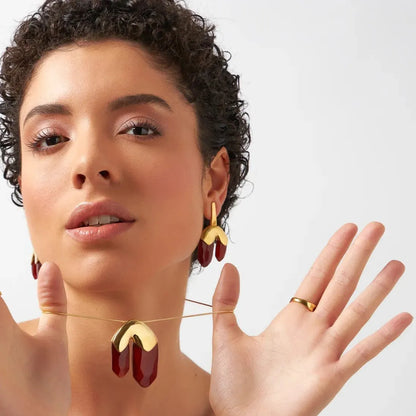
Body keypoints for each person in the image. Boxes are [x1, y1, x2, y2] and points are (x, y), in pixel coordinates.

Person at [0, 0, 412, 415]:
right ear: (24, 188)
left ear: (213, 181)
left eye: (138, 129)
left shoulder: (254, 407)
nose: (88, 163)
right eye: (50, 139)